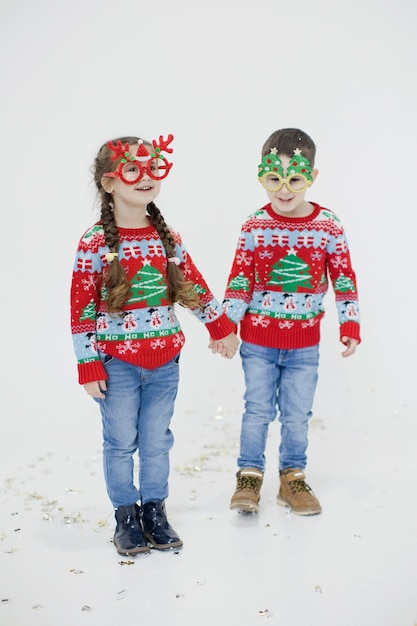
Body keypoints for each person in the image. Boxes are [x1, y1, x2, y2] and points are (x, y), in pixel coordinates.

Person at [70, 133, 239, 555]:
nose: (144, 177)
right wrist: (88, 363)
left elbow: (193, 284)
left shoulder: (166, 238)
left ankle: (155, 511)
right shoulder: (95, 243)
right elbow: (80, 309)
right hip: (118, 364)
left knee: (157, 439)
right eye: (132, 169)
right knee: (121, 441)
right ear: (109, 182)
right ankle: (125, 514)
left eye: (152, 168)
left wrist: (219, 326)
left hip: (165, 361)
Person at [210, 128, 360, 516]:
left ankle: (292, 476)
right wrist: (227, 327)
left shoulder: (327, 225)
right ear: (261, 176)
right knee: (257, 409)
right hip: (258, 341)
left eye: (295, 179)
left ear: (312, 177)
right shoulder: (254, 226)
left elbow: (343, 277)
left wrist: (350, 324)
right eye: (274, 179)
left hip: (304, 343)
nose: (284, 189)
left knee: (297, 412)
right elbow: (240, 280)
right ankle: (249, 476)